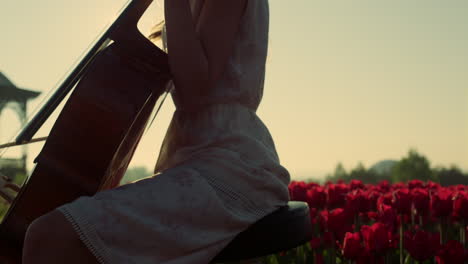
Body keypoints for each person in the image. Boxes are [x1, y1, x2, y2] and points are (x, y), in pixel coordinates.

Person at [22, 0, 290, 263]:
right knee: (52, 235)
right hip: (200, 160)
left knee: (48, 236)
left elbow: (195, 91)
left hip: (229, 169)